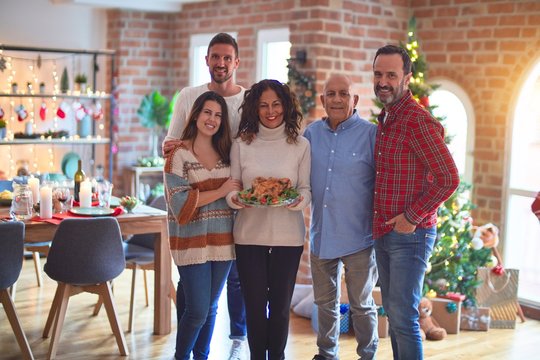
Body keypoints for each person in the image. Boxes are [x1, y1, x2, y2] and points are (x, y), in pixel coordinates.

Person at [371, 44, 460, 360]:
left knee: (405, 317)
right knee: (395, 315)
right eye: (379, 73)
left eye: (391, 75)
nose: (383, 81)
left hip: (411, 234)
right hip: (385, 231)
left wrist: (412, 215)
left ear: (406, 77)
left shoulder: (416, 120)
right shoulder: (387, 117)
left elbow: (449, 178)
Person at [163, 32, 248, 359]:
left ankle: (202, 355)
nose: (222, 63)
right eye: (216, 56)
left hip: (224, 238)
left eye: (228, 57)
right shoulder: (180, 151)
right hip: (192, 239)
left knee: (210, 307)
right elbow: (181, 201)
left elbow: (239, 175)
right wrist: (222, 189)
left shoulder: (227, 156)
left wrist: (235, 193)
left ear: (236, 62)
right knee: (198, 308)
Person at [226, 79, 311, 360]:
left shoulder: (300, 145)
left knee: (279, 305)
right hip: (249, 234)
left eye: (276, 104)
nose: (270, 111)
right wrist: (234, 199)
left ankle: (277, 356)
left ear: (286, 107)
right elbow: (234, 185)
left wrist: (299, 201)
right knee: (254, 305)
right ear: (254, 109)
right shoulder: (242, 144)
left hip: (289, 237)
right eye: (263, 105)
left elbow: (305, 190)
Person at [304, 74, 378, 360]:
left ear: (354, 100)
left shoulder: (371, 134)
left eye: (343, 94)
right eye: (331, 94)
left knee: (361, 303)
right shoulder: (311, 134)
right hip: (322, 235)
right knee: (324, 303)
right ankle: (326, 353)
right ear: (323, 100)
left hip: (360, 236)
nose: (336, 99)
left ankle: (367, 354)